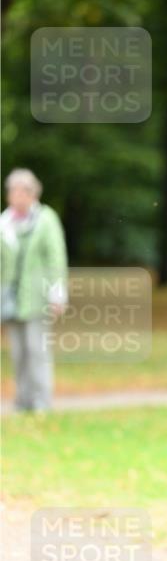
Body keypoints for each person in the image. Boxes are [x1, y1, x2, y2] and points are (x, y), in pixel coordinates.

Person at [0, 169, 68, 412]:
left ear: (31, 194)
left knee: (36, 352)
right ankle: (22, 401)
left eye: (19, 192)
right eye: (11, 192)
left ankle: (41, 402)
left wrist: (57, 293)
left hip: (38, 298)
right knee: (18, 354)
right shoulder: (4, 222)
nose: (14, 198)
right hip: (10, 299)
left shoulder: (45, 219)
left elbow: (55, 259)